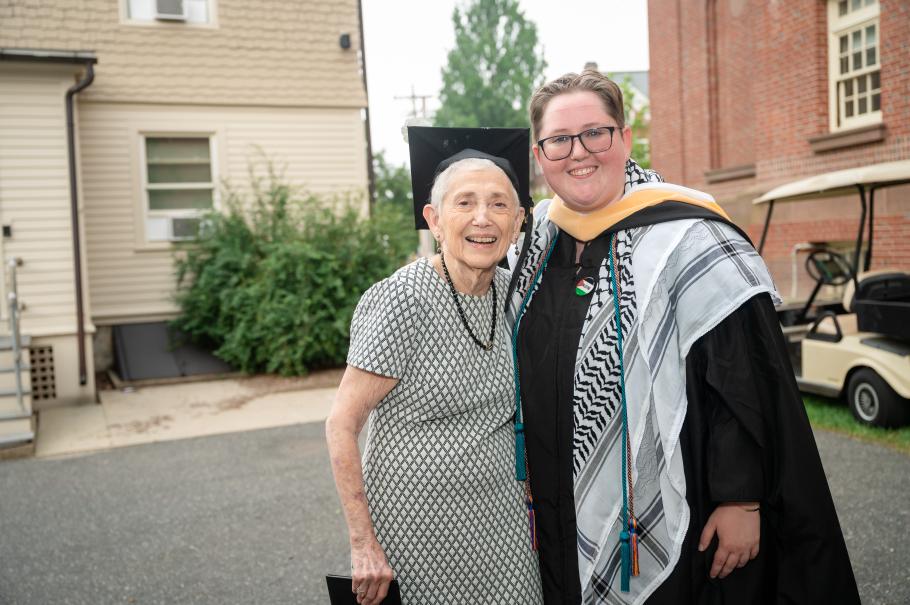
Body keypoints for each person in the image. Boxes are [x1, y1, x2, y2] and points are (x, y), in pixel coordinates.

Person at [506, 70, 860, 604]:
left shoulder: (691, 238)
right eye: (559, 139)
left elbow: (743, 377)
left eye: (595, 133)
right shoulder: (530, 248)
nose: (578, 152)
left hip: (677, 495)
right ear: (540, 155)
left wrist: (742, 499)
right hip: (554, 502)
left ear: (624, 139)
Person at [325, 128, 543, 605]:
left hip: (501, 526)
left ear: (520, 220)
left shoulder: (514, 296)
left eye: (499, 204)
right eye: (464, 203)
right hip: (414, 531)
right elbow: (341, 424)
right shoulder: (401, 300)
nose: (483, 219)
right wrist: (363, 546)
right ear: (434, 219)